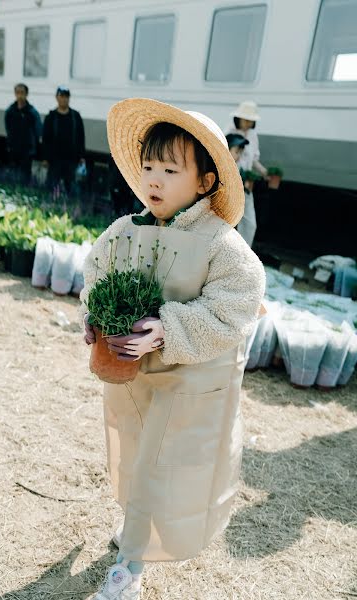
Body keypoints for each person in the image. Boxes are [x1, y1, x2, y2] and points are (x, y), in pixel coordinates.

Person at [80, 98, 266, 600]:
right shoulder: (125, 231)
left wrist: (168, 328)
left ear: (205, 182)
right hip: (133, 380)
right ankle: (135, 532)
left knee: (164, 466)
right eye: (147, 167)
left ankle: (129, 566)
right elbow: (95, 278)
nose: (153, 180)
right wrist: (94, 320)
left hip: (187, 384)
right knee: (134, 456)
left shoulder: (221, 245)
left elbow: (236, 306)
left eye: (169, 169)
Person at [227, 101, 268, 247]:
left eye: (251, 121)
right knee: (226, 221)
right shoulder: (230, 133)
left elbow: (254, 159)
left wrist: (264, 172)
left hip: (246, 185)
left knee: (250, 224)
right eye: (245, 120)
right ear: (238, 119)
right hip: (230, 184)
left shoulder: (253, 135)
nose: (248, 123)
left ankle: (242, 254)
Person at [42, 86, 86, 196]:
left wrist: (81, 156)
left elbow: (81, 137)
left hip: (71, 159)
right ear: (56, 98)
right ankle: (50, 206)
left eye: (66, 96)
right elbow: (45, 139)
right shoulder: (51, 117)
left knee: (70, 187)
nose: (64, 99)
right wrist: (45, 158)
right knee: (51, 187)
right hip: (54, 159)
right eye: (61, 96)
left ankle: (70, 208)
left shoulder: (75, 116)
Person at [4, 83, 42, 185]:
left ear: (26, 94)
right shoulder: (10, 111)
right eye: (17, 93)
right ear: (15, 94)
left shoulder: (32, 112)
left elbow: (38, 131)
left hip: (27, 150)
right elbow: (8, 128)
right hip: (13, 149)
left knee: (25, 176)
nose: (20, 96)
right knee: (13, 174)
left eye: (22, 93)